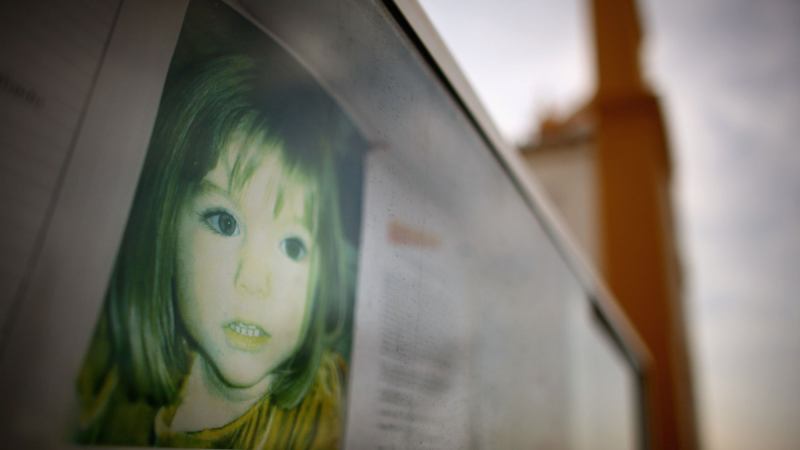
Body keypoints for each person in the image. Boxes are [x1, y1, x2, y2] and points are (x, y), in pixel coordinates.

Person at [75, 52, 362, 449]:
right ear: (165, 225)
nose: (254, 282)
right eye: (225, 223)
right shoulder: (104, 369)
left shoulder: (326, 420)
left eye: (293, 245)